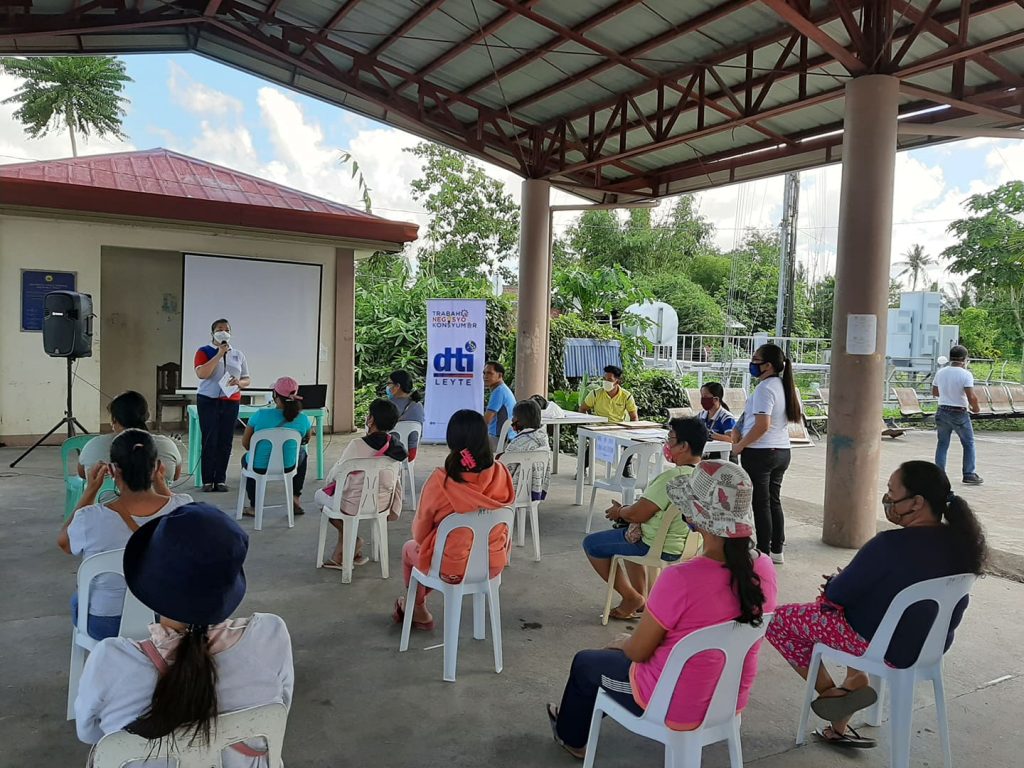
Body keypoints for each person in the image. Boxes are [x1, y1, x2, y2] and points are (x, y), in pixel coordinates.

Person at [547, 461, 778, 758]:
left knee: (587, 664)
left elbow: (638, 652)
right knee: (607, 663)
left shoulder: (680, 579)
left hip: (669, 701)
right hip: (729, 698)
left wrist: (623, 644)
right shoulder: (765, 567)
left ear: (695, 517)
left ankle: (571, 738)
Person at [765, 461, 986, 749]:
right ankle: (853, 684)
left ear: (917, 503)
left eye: (892, 492)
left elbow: (838, 595)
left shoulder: (889, 544)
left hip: (880, 646)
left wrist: (835, 581)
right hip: (927, 647)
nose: (888, 500)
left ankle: (835, 696)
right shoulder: (960, 544)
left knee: (779, 620)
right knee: (852, 613)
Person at [74, 502, 294, 766]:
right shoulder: (271, 637)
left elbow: (88, 733)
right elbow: (280, 709)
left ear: (148, 583)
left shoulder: (109, 661)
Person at [58, 430, 193, 641]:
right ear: (157, 467)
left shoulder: (90, 517)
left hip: (106, 624)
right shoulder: (183, 508)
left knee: (78, 600)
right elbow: (189, 513)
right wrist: (162, 484)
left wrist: (91, 490)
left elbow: (64, 543)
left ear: (112, 470)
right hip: (167, 619)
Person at [392, 409, 515, 631]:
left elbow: (419, 534)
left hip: (452, 568)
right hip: (492, 564)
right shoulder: (501, 473)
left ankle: (418, 607)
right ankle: (416, 607)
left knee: (412, 550)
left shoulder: (441, 480)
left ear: (451, 441)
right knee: (432, 552)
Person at [581, 417, 706, 620]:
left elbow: (638, 513)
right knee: (628, 538)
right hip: (688, 546)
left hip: (656, 545)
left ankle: (631, 597)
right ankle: (641, 599)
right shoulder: (705, 476)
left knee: (592, 544)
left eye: (671, 439)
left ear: (684, 446)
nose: (667, 444)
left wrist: (620, 511)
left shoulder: (671, 477)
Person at [315, 398, 408, 569]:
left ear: (371, 419)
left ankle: (351, 542)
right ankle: (349, 551)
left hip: (352, 504)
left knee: (320, 496)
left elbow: (336, 475)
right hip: (381, 505)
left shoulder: (357, 444)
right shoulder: (397, 448)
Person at [731, 343, 801, 565]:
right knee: (773, 501)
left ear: (768, 365)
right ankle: (776, 549)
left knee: (760, 504)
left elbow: (762, 425)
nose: (752, 364)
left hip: (761, 453)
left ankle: (762, 551)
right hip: (782, 450)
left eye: (756, 360)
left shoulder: (765, 389)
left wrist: (740, 445)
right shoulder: (782, 385)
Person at [77, 390, 182, 490]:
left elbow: (83, 474)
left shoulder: (94, 445)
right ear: (146, 416)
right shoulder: (167, 445)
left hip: (105, 505)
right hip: (159, 507)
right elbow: (175, 476)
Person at [241, 376, 311, 517]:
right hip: (288, 466)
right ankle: (295, 497)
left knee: (247, 459)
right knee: (302, 453)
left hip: (259, 466)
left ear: (275, 396)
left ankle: (254, 505)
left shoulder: (260, 415)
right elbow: (305, 440)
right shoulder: (303, 419)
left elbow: (246, 444)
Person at [194, 318, 250, 493]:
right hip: (208, 400)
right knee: (210, 439)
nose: (223, 332)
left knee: (225, 441)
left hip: (231, 401)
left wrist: (239, 383)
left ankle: (220, 479)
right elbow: (202, 374)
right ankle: (208, 480)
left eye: (227, 329)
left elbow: (247, 378)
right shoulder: (204, 351)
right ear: (212, 333)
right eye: (220, 329)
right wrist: (219, 354)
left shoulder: (238, 354)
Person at [932, 345, 983, 485]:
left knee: (942, 444)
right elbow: (971, 396)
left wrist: (948, 393)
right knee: (968, 443)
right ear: (964, 359)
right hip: (959, 412)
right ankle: (969, 474)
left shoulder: (940, 372)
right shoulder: (965, 374)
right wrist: (976, 408)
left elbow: (935, 392)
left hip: (942, 410)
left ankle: (939, 474)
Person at [499, 398, 551, 502]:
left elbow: (504, 469)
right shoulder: (543, 439)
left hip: (512, 492)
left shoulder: (517, 444)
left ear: (520, 420)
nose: (512, 420)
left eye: (514, 417)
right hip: (533, 491)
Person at [387, 370, 425, 461]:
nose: (387, 387)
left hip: (390, 451)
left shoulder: (387, 405)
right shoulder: (418, 405)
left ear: (397, 386)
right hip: (411, 453)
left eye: (389, 383)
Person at [483, 360, 517, 451]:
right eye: (484, 373)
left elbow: (487, 419)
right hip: (506, 436)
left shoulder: (499, 391)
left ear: (500, 375)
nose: (485, 376)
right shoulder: (502, 389)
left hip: (499, 438)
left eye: (490, 373)